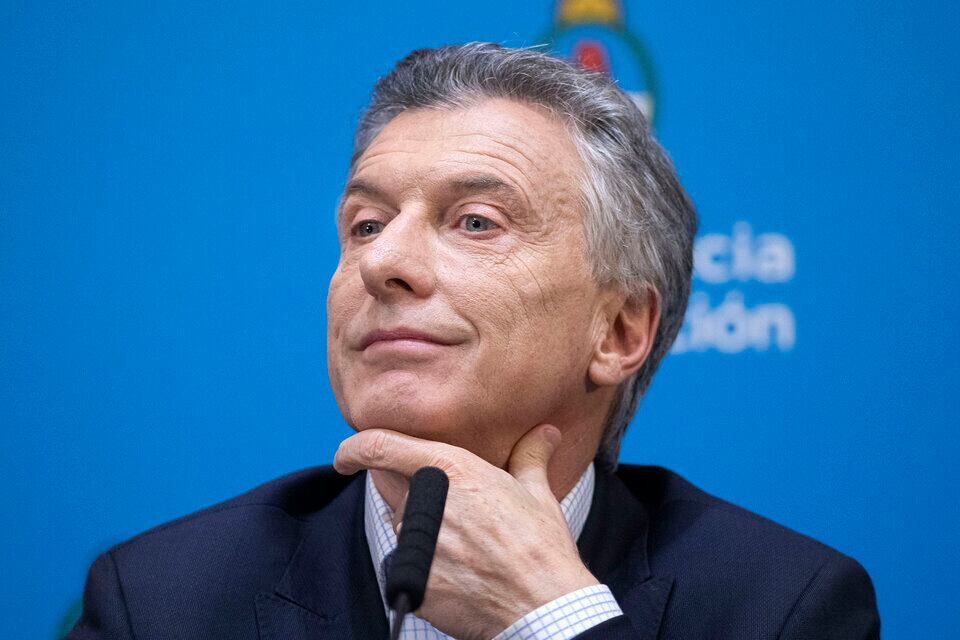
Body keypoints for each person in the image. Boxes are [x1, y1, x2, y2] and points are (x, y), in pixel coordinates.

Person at [68, 43, 880, 640]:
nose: (382, 262)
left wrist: (555, 618)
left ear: (619, 329)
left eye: (476, 222)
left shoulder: (782, 606)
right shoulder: (163, 600)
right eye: (366, 224)